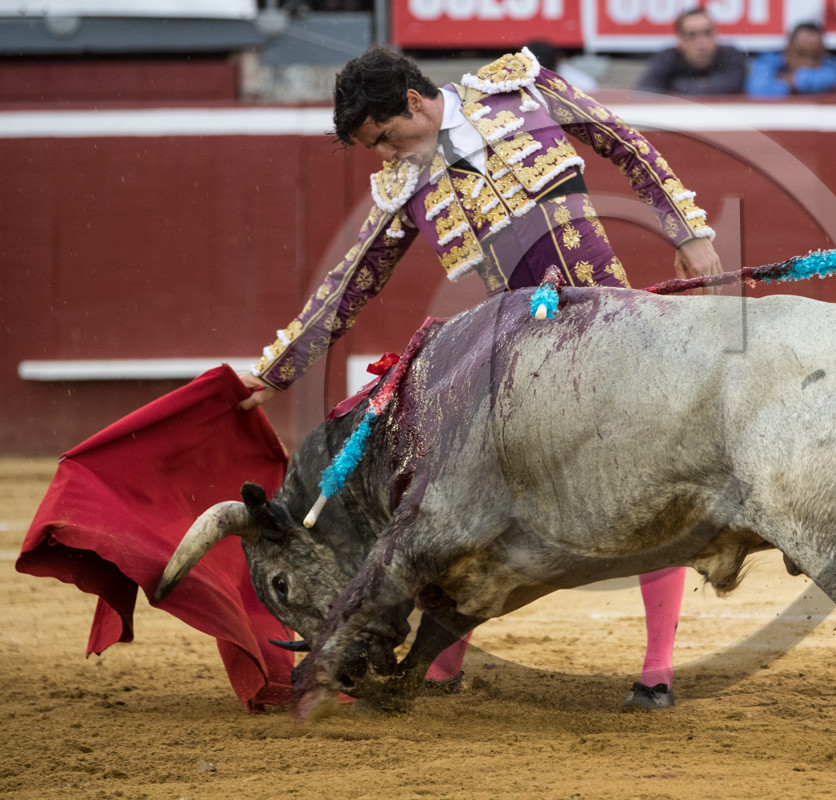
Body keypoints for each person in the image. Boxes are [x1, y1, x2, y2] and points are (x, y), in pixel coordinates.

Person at [238, 46, 722, 710]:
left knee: (644, 480)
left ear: (414, 102)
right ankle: (442, 665)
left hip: (613, 326)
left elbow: (624, 142)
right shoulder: (405, 184)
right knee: (465, 497)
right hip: (523, 351)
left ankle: (657, 670)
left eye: (385, 137)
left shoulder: (519, 89)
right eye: (374, 148)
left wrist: (688, 228)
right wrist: (275, 371)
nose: (385, 155)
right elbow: (350, 282)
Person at [635, 7, 748, 95]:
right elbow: (644, 91)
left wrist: (674, 85)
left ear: (716, 34)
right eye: (692, 36)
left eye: (707, 33)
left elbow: (731, 86)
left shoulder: (731, 55)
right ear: (680, 40)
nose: (701, 43)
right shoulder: (667, 57)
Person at [746, 22, 836, 97]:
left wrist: (796, 80)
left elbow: (831, 79)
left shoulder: (829, 63)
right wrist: (794, 86)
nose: (807, 62)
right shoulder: (769, 62)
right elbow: (758, 89)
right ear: (788, 49)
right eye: (801, 54)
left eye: (815, 56)